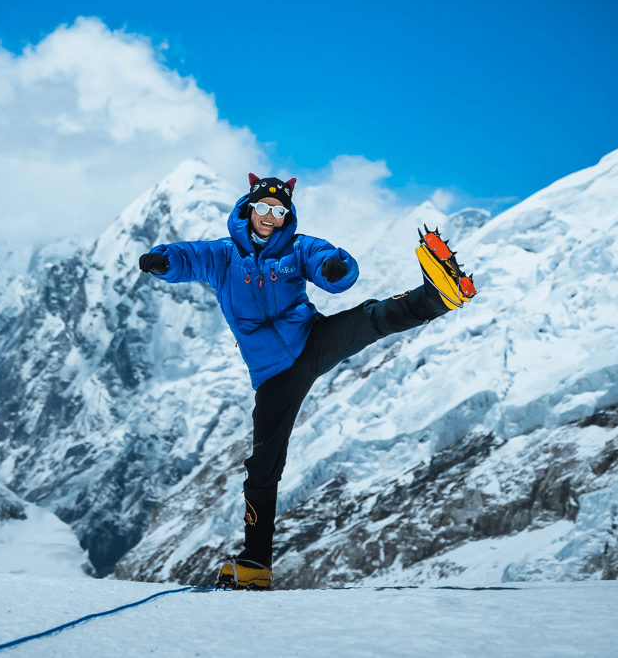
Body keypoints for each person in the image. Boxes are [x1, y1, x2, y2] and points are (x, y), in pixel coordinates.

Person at [138, 174, 475, 590]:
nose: (270, 217)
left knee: (369, 318)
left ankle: (440, 296)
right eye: (263, 207)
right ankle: (256, 565)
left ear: (286, 215)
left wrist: (336, 270)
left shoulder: (296, 247)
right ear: (249, 207)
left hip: (311, 341)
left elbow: (328, 261)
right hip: (273, 374)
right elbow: (191, 257)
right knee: (263, 464)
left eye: (279, 211)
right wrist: (164, 260)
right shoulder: (225, 255)